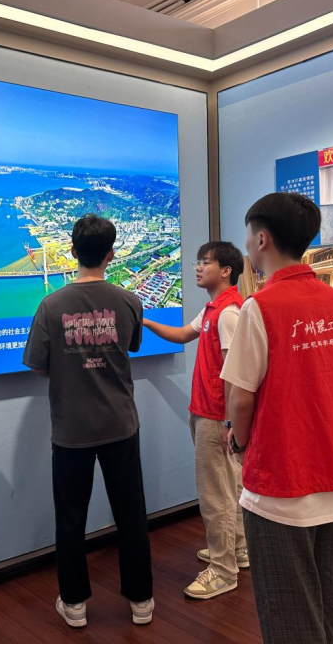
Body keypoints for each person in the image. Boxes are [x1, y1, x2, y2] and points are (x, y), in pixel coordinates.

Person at [221, 193, 333, 644]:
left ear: (262, 239)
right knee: (331, 604)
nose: (247, 245)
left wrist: (240, 444)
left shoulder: (260, 306)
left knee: (288, 615)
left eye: (248, 236)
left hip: (281, 478)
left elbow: (240, 399)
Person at [23, 214, 154, 629]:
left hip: (70, 429)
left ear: (72, 251)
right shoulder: (129, 301)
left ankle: (75, 604)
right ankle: (142, 602)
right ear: (111, 254)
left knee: (70, 518)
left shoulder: (50, 305)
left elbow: (38, 365)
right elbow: (131, 346)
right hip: (120, 425)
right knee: (131, 514)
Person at [144, 242, 248, 599]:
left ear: (226, 271)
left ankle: (223, 570)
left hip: (216, 416)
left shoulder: (229, 313)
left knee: (215, 494)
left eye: (206, 262)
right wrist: (145, 320)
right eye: (198, 262)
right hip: (205, 412)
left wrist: (230, 422)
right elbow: (181, 334)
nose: (198, 268)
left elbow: (235, 372)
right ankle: (236, 549)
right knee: (229, 486)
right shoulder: (212, 309)